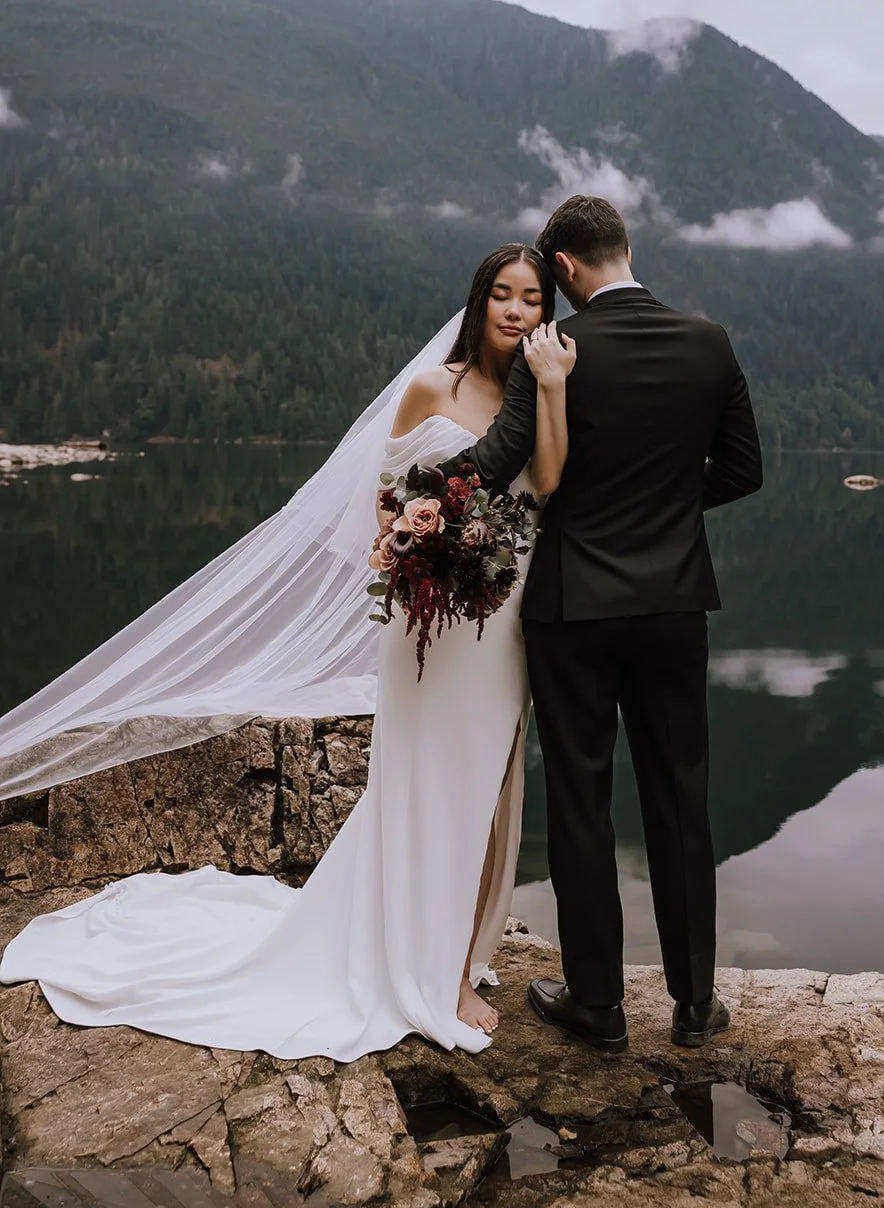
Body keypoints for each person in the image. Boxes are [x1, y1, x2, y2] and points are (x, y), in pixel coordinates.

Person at [0, 244, 575, 1059]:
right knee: (425, 782)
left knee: (483, 781)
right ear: (479, 302)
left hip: (502, 613)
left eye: (531, 300)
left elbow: (546, 482)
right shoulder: (430, 387)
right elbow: (387, 500)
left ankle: (459, 947)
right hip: (430, 624)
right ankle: (426, 968)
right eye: (503, 297)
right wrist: (415, 545)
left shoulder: (535, 387)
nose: (517, 313)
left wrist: (551, 388)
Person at [441, 196, 763, 1054]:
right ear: (624, 250)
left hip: (572, 607)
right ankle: (695, 1005)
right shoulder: (709, 343)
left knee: (581, 799)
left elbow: (494, 462)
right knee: (678, 796)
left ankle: (598, 1006)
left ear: (567, 268)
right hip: (672, 605)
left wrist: (417, 499)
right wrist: (661, 512)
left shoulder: (557, 354)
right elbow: (742, 469)